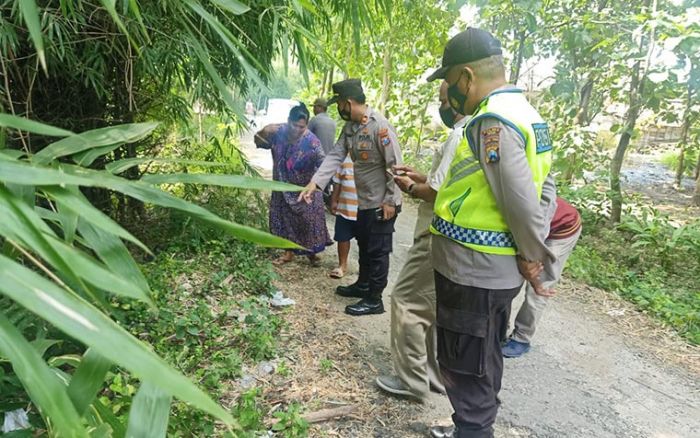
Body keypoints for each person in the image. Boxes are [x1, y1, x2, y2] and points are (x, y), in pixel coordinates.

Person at [425, 28, 557, 438]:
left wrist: (533, 256)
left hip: (473, 272)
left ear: (466, 77)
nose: (449, 93)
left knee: (466, 370)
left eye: (448, 83)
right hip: (486, 274)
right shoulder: (528, 115)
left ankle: (473, 432)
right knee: (482, 360)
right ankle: (469, 428)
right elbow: (546, 188)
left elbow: (518, 200)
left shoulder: (491, 123)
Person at [374, 82, 466, 400]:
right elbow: (445, 180)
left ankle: (412, 381)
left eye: (443, 100)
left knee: (406, 301)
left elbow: (440, 192)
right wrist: (419, 175)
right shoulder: (474, 133)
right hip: (453, 234)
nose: (441, 106)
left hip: (435, 232)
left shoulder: (458, 135)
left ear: (457, 97)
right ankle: (434, 376)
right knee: (432, 307)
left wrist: (409, 187)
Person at [298, 78, 403, 316]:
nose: (339, 111)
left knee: (378, 251)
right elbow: (335, 156)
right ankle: (363, 285)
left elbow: (395, 165)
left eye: (340, 106)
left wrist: (390, 201)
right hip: (364, 201)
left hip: (381, 203)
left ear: (348, 102)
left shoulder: (380, 126)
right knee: (365, 246)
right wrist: (315, 183)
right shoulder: (351, 129)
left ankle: (375, 299)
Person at [502, 197, 582, 358]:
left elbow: (531, 251)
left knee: (539, 287)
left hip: (560, 230)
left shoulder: (526, 209)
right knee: (505, 281)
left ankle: (522, 338)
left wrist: (534, 279)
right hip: (531, 231)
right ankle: (499, 329)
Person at [254, 103, 331, 265]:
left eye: (301, 127)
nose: (297, 129)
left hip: (304, 188)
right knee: (284, 220)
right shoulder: (277, 132)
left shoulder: (312, 142)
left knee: (308, 221)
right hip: (282, 185)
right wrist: (264, 131)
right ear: (288, 121)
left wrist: (314, 184)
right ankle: (288, 253)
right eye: (294, 125)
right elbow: (258, 141)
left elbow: (324, 164)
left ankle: (311, 252)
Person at [329, 154, 357, 279]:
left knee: (366, 241)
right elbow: (337, 182)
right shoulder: (345, 160)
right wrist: (334, 201)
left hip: (363, 210)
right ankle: (342, 265)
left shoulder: (372, 160)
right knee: (342, 238)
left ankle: (366, 267)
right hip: (344, 208)